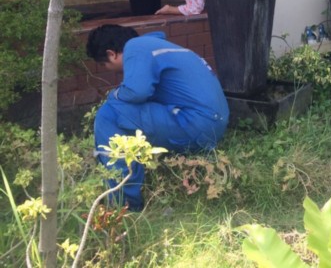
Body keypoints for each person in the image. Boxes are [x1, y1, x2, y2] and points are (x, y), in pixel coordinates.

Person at [87, 24, 229, 210]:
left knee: (109, 114)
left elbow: (136, 92)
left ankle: (123, 206)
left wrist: (113, 94)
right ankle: (131, 184)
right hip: (211, 124)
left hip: (197, 123)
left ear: (112, 53)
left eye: (105, 64)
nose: (112, 70)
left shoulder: (135, 48)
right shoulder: (156, 46)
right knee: (123, 110)